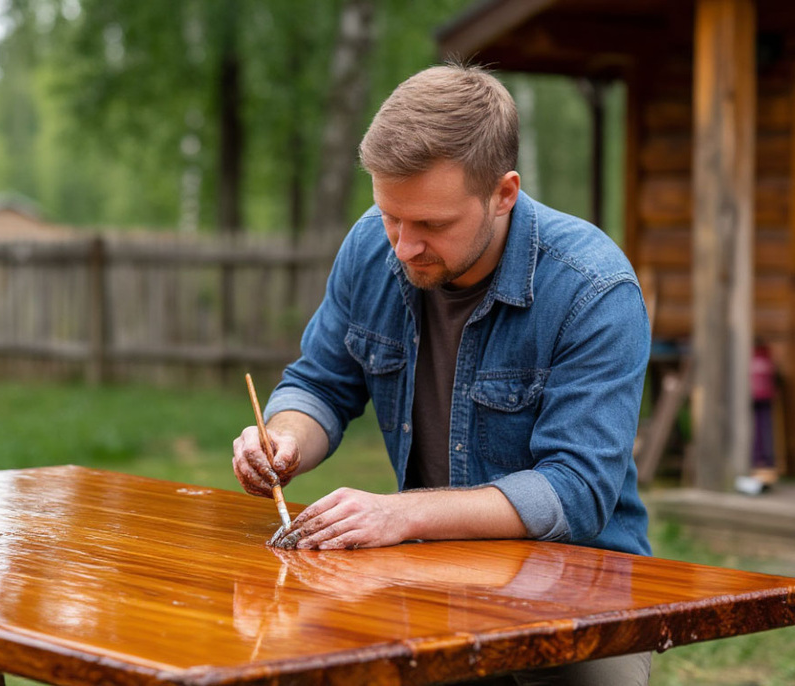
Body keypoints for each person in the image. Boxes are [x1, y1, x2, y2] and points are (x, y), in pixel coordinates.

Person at [232, 64, 652, 685]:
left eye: (431, 224)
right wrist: (286, 438)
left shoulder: (593, 288)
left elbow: (575, 491)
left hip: (582, 590)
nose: (402, 247)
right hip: (429, 580)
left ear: (503, 193)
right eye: (389, 216)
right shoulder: (369, 249)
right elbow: (319, 384)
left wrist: (402, 516)